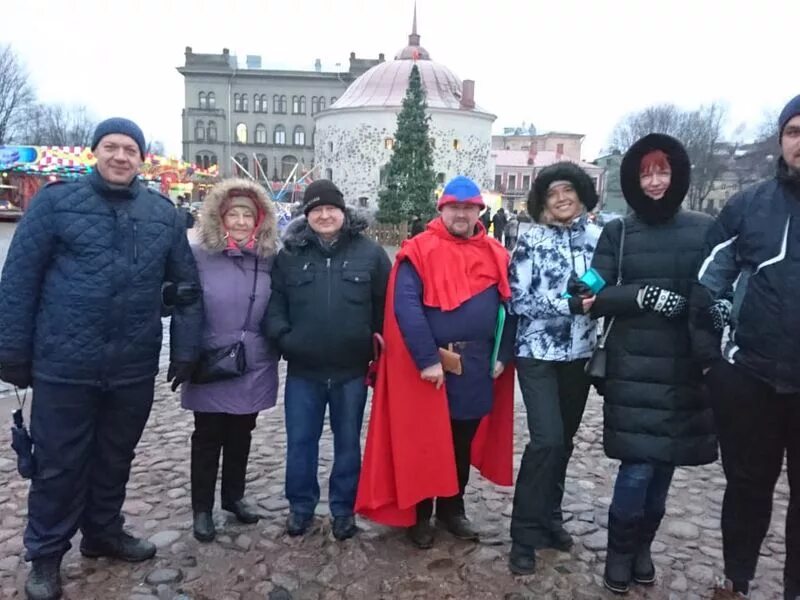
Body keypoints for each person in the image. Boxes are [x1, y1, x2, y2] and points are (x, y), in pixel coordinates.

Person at [0, 118, 203, 600]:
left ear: (141, 158)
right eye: (111, 146)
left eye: (129, 148)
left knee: (115, 457)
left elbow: (187, 289)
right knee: (57, 464)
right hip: (64, 364)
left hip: (131, 364)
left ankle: (102, 533)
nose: (119, 156)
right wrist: (10, 351)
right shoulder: (55, 204)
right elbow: (19, 280)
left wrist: (187, 347)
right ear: (96, 152)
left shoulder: (163, 214)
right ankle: (46, 555)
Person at [355, 175, 517, 550]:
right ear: (441, 209)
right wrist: (428, 359)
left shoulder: (495, 252)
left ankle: (452, 508)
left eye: (468, 208)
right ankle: (420, 514)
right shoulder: (418, 250)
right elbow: (406, 307)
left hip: (476, 365)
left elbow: (512, 308)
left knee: (461, 441)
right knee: (426, 442)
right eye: (454, 207)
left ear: (479, 211)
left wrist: (503, 355)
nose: (461, 214)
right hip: (429, 367)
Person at [589, 134, 717, 595]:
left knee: (664, 470)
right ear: (634, 179)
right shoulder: (618, 232)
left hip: (683, 367)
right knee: (638, 467)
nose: (656, 181)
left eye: (663, 171)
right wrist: (638, 296)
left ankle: (644, 545)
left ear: (678, 174)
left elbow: (716, 290)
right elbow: (589, 296)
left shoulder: (704, 229)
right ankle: (620, 551)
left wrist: (712, 314)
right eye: (646, 173)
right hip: (633, 368)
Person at [698, 95, 800, 600]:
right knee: (747, 489)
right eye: (796, 131)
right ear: (782, 140)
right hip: (751, 378)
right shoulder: (749, 205)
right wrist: (717, 356)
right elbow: (708, 279)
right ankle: (736, 579)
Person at [265, 179, 391, 541]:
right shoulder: (289, 255)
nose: (324, 215)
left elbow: (385, 306)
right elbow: (275, 305)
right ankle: (301, 507)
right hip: (304, 371)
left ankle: (343, 509)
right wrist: (285, 339)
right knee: (301, 442)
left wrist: (374, 348)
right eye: (316, 209)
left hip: (351, 372)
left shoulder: (370, 253)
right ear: (308, 215)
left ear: (342, 211)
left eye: (330, 208)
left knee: (348, 442)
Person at [507, 162, 602, 575]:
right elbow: (516, 299)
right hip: (538, 353)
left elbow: (609, 283)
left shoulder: (599, 239)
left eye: (569, 190)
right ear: (543, 201)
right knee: (545, 441)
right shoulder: (530, 241)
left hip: (579, 355)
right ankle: (523, 533)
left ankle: (550, 517)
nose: (562, 198)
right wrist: (564, 304)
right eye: (553, 193)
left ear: (581, 194)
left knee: (563, 443)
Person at [175, 178, 279, 543]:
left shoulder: (269, 258)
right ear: (219, 217)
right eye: (232, 214)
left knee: (241, 432)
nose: (238, 221)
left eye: (246, 215)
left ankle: (233, 497)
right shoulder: (198, 253)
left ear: (259, 220)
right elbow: (178, 299)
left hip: (253, 359)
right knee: (207, 436)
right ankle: (201, 509)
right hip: (210, 358)